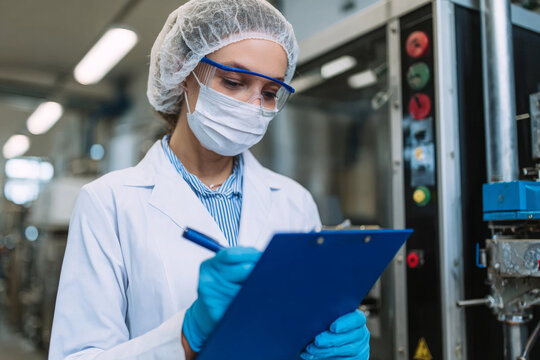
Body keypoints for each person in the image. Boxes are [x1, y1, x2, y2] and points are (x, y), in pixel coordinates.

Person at [49, 0, 370, 359]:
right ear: (183, 71)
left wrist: (331, 347)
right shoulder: (109, 201)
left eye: (268, 93)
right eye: (234, 82)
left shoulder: (294, 200)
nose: (253, 106)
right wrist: (185, 337)